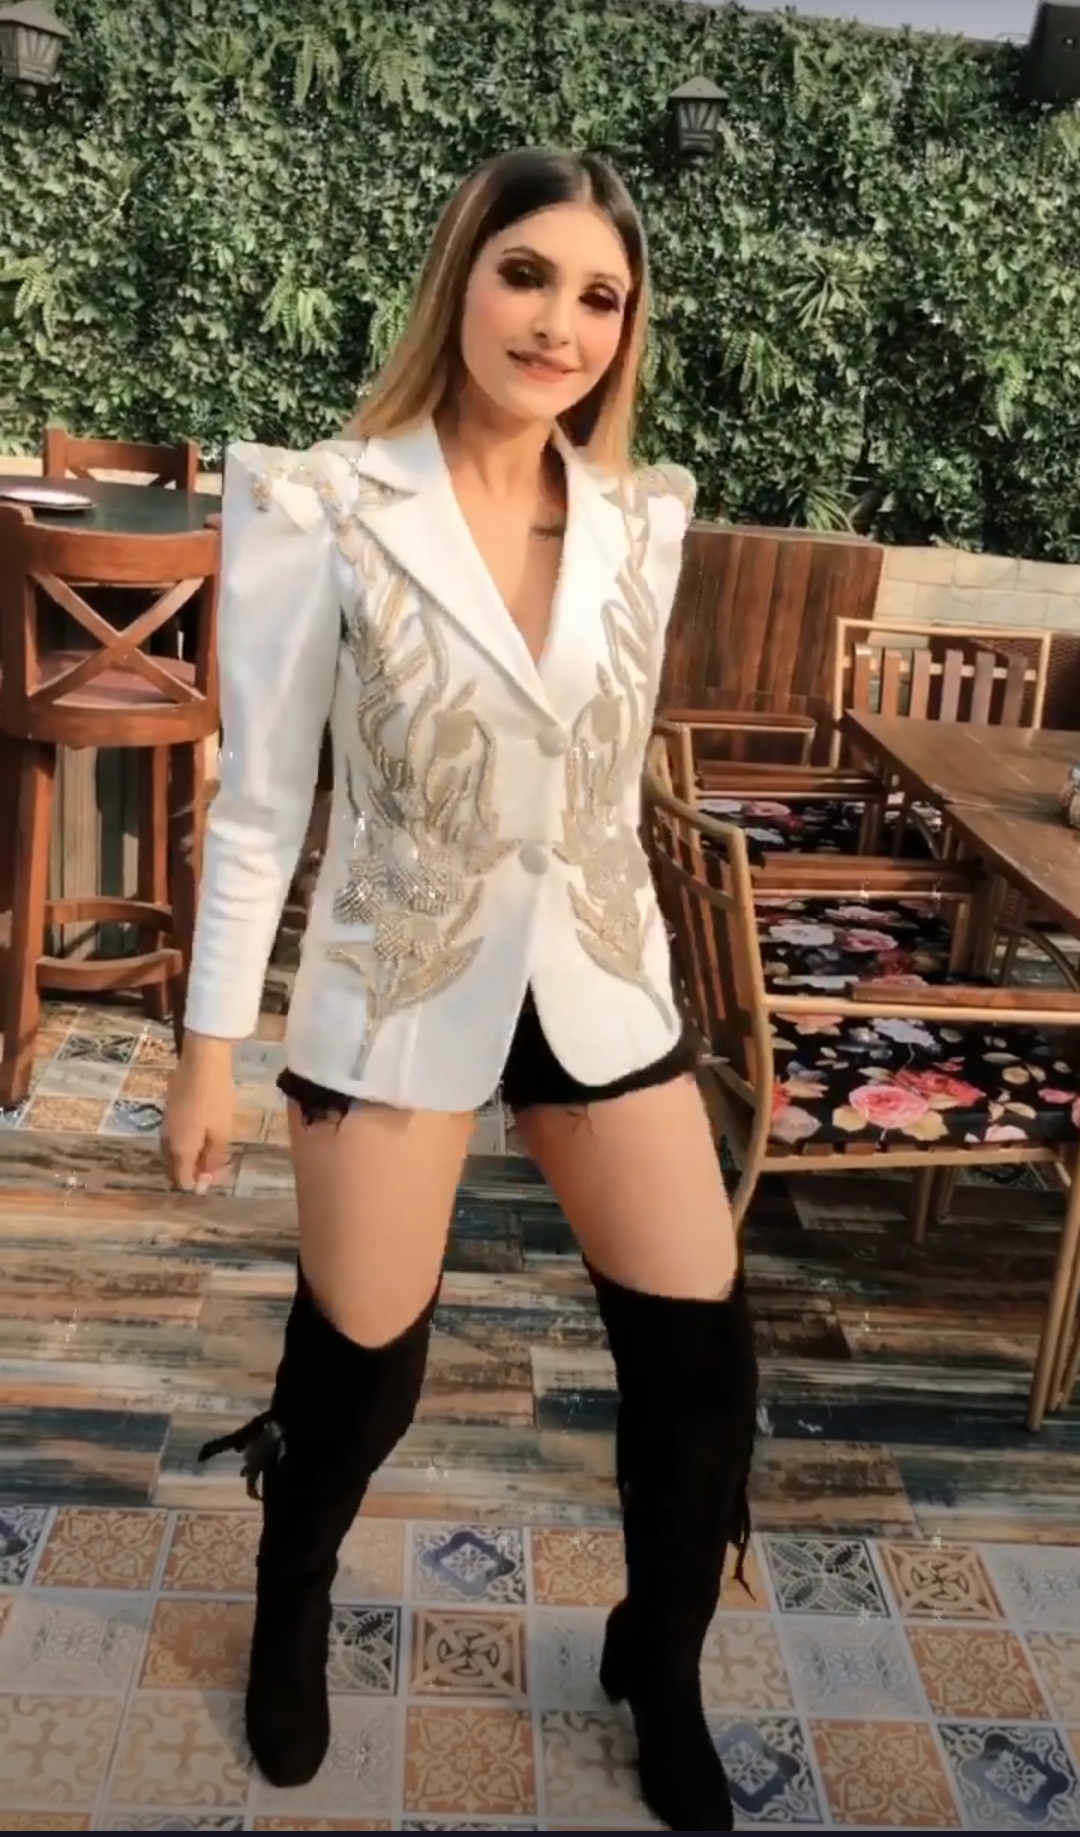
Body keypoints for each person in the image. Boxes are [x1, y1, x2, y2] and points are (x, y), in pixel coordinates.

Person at [162, 147, 757, 1834]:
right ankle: (291, 1600)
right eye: (527, 274)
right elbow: (262, 802)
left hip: (599, 975)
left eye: (599, 296)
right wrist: (210, 1053)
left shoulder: (642, 520)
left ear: (625, 329)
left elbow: (606, 775)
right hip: (396, 974)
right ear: (463, 280)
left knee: (703, 1362)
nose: (559, 322)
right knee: (363, 1369)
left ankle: (661, 1656)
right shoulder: (324, 505)